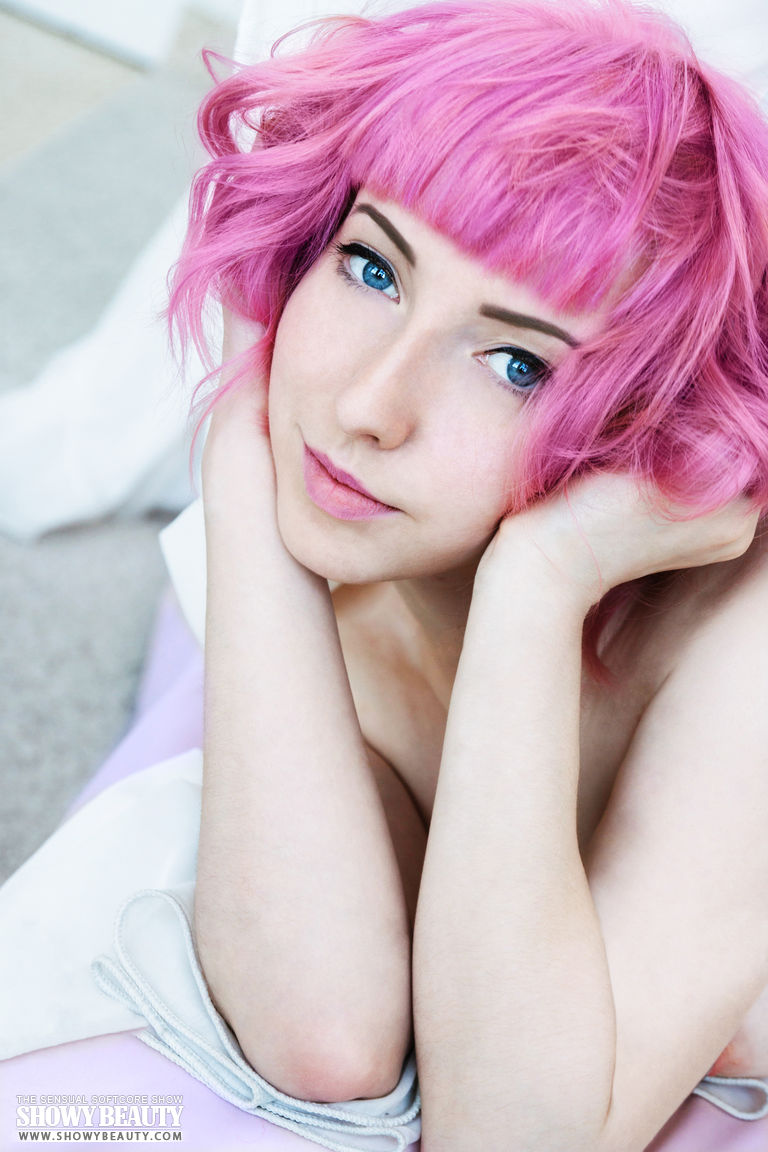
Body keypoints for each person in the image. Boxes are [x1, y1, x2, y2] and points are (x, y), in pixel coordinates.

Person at [2, 1, 768, 1150]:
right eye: (371, 267)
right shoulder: (356, 510)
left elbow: (509, 1138)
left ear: (643, 425)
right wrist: (236, 458)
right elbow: (323, 1033)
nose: (367, 407)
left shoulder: (740, 643)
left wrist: (538, 587)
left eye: (516, 363)